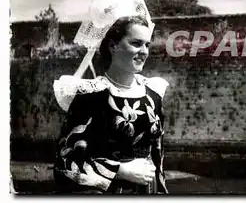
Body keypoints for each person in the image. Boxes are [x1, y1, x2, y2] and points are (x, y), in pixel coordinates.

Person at [53, 15, 169, 194]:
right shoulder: (92, 95)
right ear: (113, 46)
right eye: (136, 43)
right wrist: (118, 171)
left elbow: (158, 156)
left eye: (147, 45)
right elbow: (65, 160)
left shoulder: (153, 95)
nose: (144, 51)